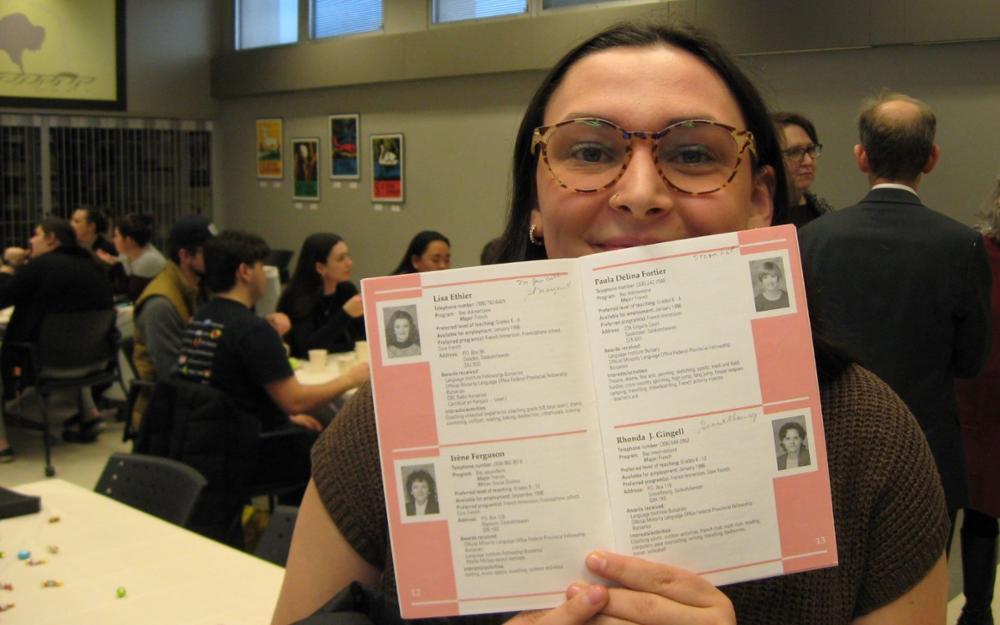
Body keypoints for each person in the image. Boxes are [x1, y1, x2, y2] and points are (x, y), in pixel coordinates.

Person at [272, 22, 950, 625]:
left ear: (760, 203)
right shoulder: (393, 423)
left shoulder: (869, 443)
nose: (639, 193)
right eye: (590, 153)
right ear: (534, 204)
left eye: (693, 154)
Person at [799, 92, 992, 536]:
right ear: (932, 158)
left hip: (835, 452)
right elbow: (971, 359)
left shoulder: (814, 239)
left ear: (861, 157)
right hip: (928, 450)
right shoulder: (961, 244)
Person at [0, 218, 115, 450]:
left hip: (40, 362)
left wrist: (9, 268)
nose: (30, 241)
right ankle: (89, 413)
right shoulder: (94, 265)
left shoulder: (41, 267)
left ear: (51, 239)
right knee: (70, 340)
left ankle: (1, 443)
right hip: (93, 362)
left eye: (36, 235)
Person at [953, 181, 1000, 625]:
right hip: (966, 396)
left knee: (987, 510)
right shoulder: (974, 251)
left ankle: (977, 611)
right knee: (954, 505)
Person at [130, 215, 215, 432]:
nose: (218, 258)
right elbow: (172, 373)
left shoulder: (200, 288)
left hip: (192, 400)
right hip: (165, 412)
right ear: (185, 256)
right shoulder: (160, 304)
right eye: (210, 252)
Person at [276, 233, 365, 359]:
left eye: (348, 256)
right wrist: (345, 314)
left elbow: (363, 338)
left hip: (342, 365)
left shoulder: (346, 290)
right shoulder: (296, 298)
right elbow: (308, 350)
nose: (349, 263)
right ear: (320, 267)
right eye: (341, 259)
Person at [772, 112, 831, 228]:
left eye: (810, 149)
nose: (808, 161)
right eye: (794, 152)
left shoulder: (823, 214)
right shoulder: (753, 218)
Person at [97, 213, 168, 301]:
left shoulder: (148, 259)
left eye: (116, 236)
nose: (113, 240)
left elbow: (131, 293)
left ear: (129, 240)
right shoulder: (128, 253)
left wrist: (115, 264)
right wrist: (113, 262)